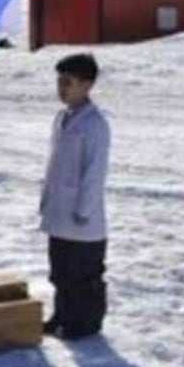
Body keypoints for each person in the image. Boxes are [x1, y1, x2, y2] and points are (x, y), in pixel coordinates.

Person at [40, 53, 111, 339]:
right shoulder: (62, 118)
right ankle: (62, 315)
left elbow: (94, 172)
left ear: (87, 84)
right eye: (59, 81)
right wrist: (45, 199)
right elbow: (53, 164)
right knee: (61, 272)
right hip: (58, 212)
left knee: (84, 275)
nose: (62, 88)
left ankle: (85, 323)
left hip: (83, 218)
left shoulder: (96, 124)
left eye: (68, 82)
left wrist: (83, 210)